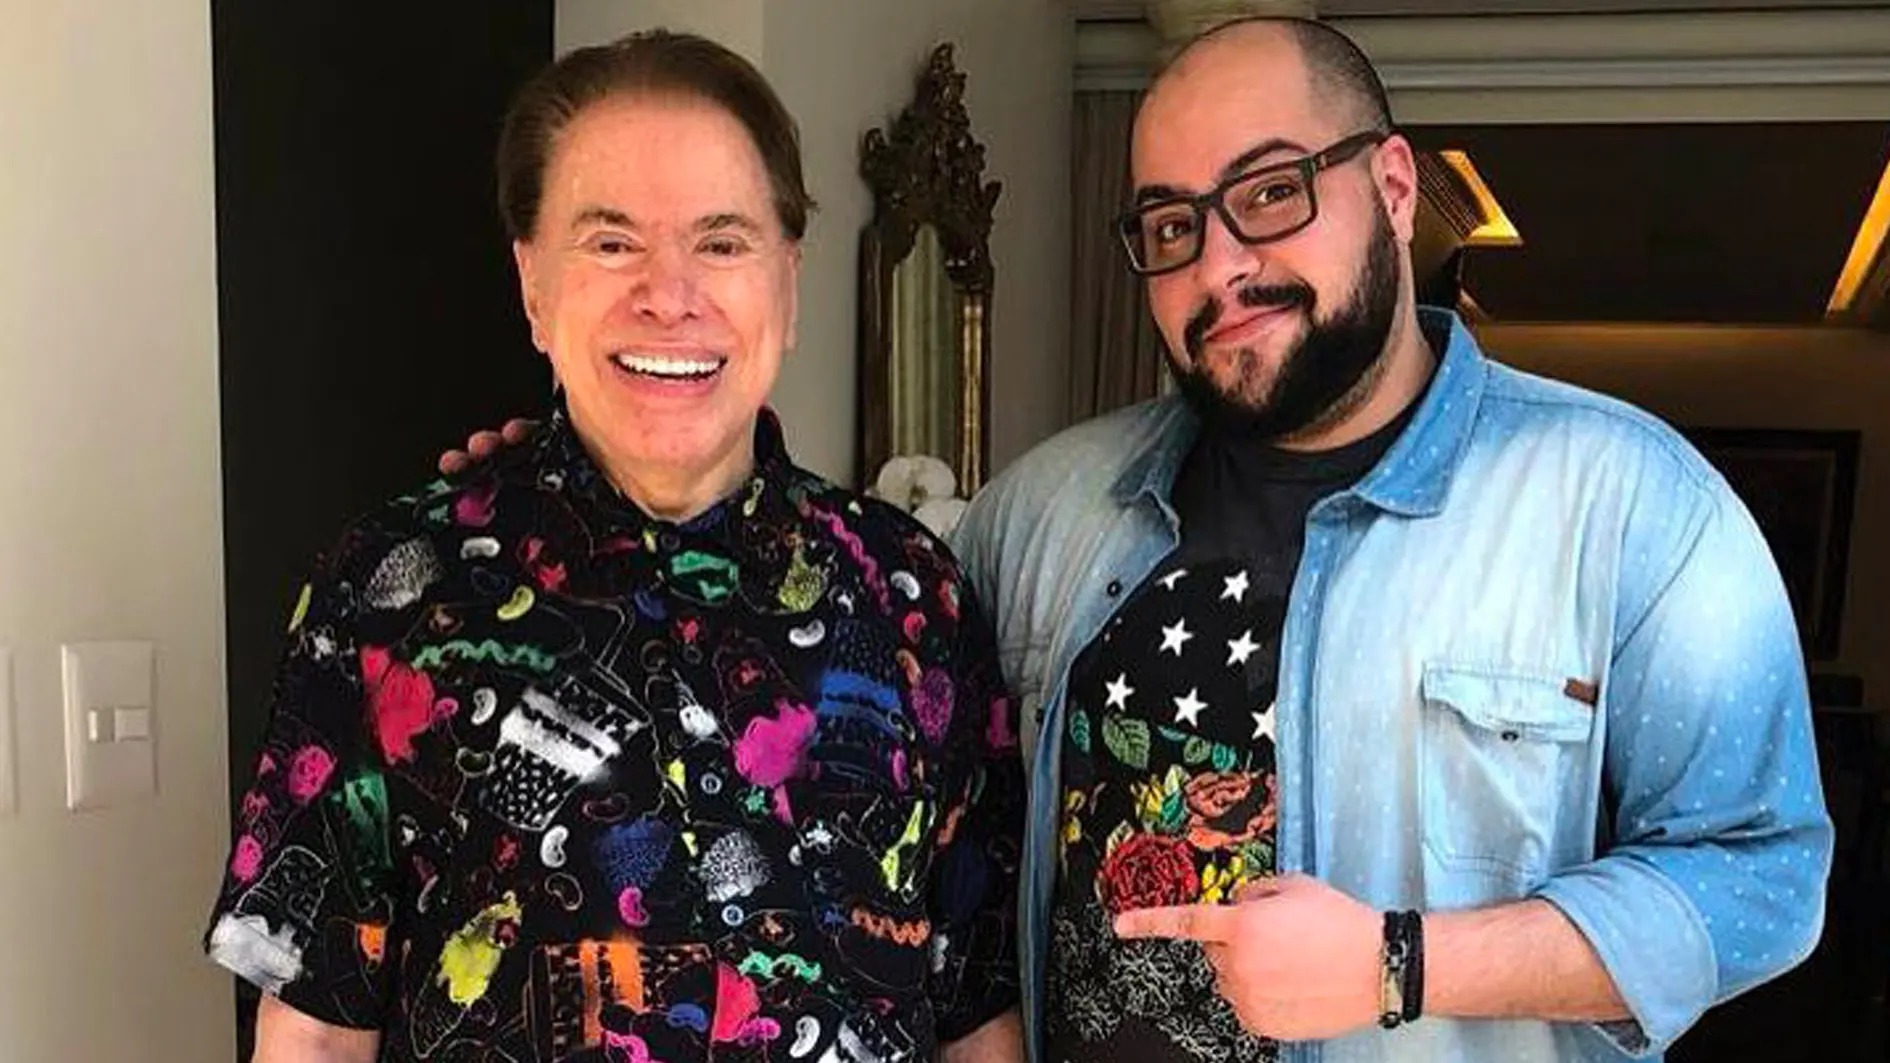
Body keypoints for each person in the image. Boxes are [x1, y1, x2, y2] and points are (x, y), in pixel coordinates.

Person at [441, 16, 1833, 1063]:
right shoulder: (1048, 508)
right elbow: (838, 658)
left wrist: (1402, 962)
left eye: (1271, 192)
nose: (1220, 263)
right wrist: (585, 482)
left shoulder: (1627, 504)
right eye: (1172, 224)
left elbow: (1764, 877)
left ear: (1397, 188)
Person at [205, 30, 1024, 1063]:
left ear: (787, 284)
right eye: (610, 243)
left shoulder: (915, 596)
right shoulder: (385, 593)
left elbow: (974, 1013)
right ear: (533, 286)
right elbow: (316, 1029)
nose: (669, 294)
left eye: (722, 243)